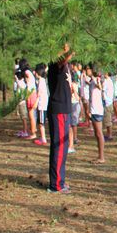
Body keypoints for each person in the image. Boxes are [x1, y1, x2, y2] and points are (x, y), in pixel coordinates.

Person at [46, 44, 74, 193]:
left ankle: (58, 181)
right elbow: (62, 59)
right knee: (60, 147)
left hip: (63, 109)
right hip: (59, 110)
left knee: (62, 147)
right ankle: (56, 184)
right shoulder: (56, 64)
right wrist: (69, 50)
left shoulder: (64, 66)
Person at [86, 64, 106, 164]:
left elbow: (100, 87)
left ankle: (101, 157)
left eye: (87, 69)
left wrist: (97, 81)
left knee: (99, 133)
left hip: (97, 110)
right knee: (97, 134)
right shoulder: (91, 81)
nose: (86, 71)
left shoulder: (97, 80)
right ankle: (99, 155)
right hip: (93, 110)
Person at [33, 63, 49, 146]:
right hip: (42, 104)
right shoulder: (41, 80)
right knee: (40, 122)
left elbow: (39, 94)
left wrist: (36, 102)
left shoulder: (41, 81)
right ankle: (42, 137)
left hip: (42, 105)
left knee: (41, 123)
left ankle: (43, 139)